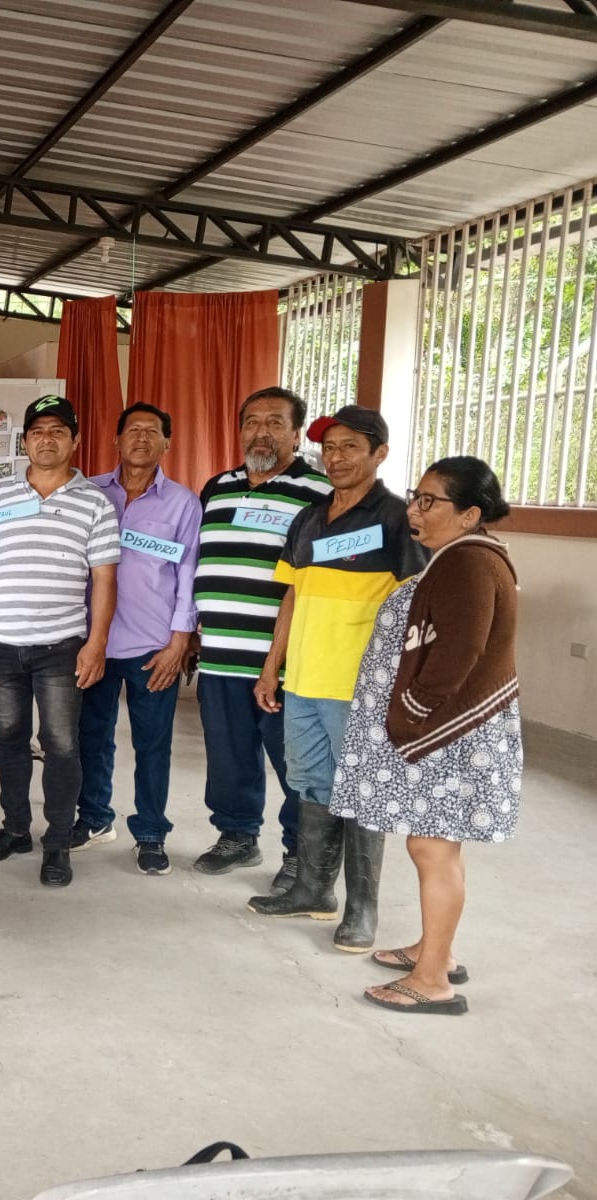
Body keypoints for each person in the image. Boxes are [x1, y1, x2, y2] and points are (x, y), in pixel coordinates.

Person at [329, 457, 519, 1016]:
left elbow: (460, 651)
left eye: (429, 501)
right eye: (416, 496)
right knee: (438, 847)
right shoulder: (461, 557)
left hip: (447, 735)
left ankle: (432, 979)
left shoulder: (468, 562)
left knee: (431, 848)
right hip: (444, 732)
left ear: (469, 514)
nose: (414, 509)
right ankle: (436, 950)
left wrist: (412, 711)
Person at [247, 405, 427, 948]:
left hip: (362, 688)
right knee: (312, 786)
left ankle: (362, 910)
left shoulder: (396, 519)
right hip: (304, 680)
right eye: (329, 447)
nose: (337, 457)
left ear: (380, 453)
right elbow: (292, 596)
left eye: (351, 446)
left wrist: (405, 684)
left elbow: (417, 606)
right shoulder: (309, 517)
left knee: (362, 793)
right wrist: (272, 668)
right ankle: (312, 890)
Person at [0, 395, 119, 888]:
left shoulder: (94, 502)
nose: (46, 439)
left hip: (60, 645)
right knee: (8, 736)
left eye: (57, 430)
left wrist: (96, 644)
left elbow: (105, 578)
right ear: (25, 441)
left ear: (75, 440)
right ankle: (16, 829)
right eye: (37, 431)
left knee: (59, 743)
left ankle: (57, 842)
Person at [191, 387, 330, 889]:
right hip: (219, 654)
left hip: (283, 659)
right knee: (228, 755)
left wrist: (279, 658)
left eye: (275, 422)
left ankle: (299, 853)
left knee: (295, 761)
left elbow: (311, 579)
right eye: (252, 422)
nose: (261, 432)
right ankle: (237, 835)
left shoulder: (319, 492)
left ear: (296, 434)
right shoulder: (217, 487)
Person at [75, 403, 201, 875]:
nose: (142, 438)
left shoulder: (183, 503)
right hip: (94, 642)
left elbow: (188, 573)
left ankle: (150, 832)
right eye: (133, 430)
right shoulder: (89, 493)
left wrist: (179, 641)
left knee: (152, 743)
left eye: (152, 431)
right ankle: (94, 817)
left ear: (167, 443)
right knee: (92, 736)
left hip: (153, 646)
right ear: (116, 440)